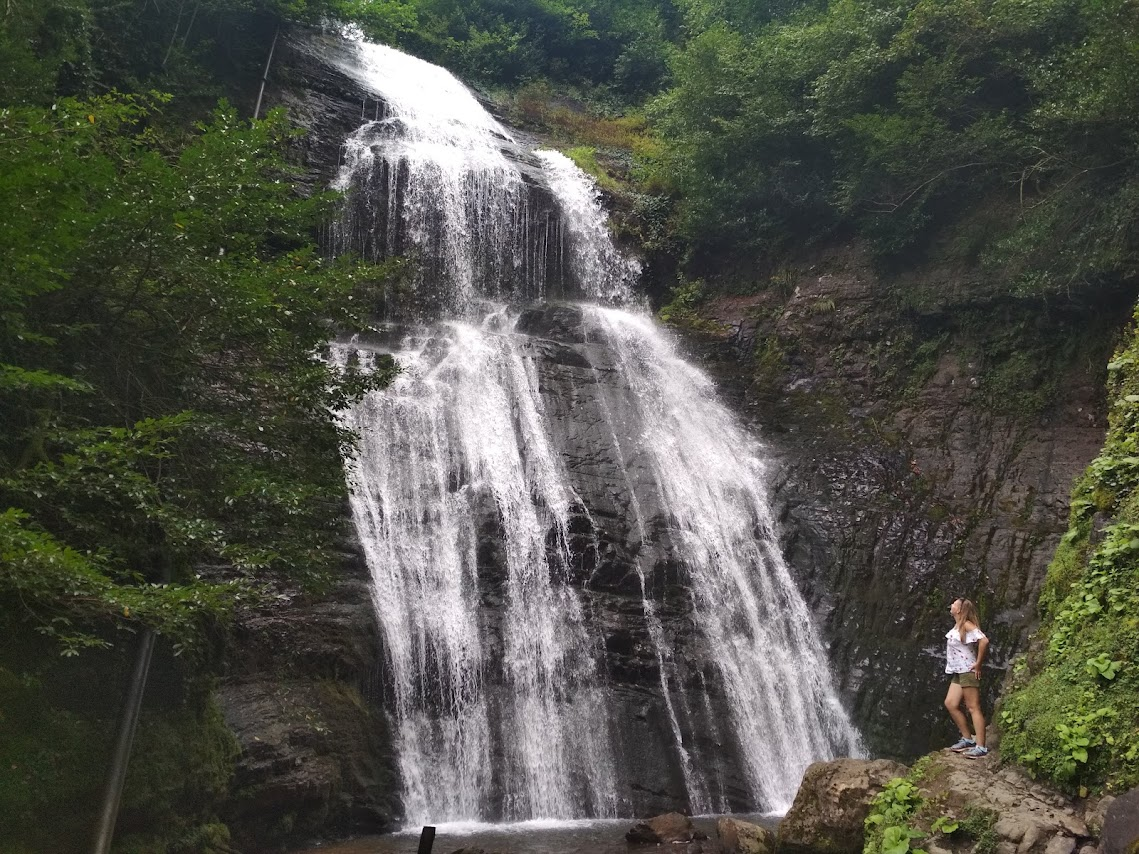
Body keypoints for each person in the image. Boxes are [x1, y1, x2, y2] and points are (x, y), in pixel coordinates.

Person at [943, 597, 989, 758]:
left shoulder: (966, 624)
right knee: (950, 703)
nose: (951, 605)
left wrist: (978, 664)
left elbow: (984, 640)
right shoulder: (958, 625)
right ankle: (967, 739)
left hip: (968, 670)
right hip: (958, 671)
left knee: (973, 707)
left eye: (954, 604)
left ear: (960, 609)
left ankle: (981, 747)